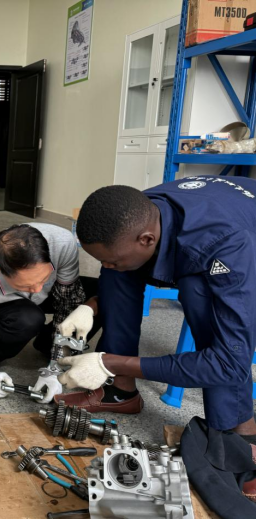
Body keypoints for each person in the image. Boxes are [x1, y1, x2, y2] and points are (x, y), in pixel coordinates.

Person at [59, 178, 256, 443]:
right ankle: (121, 391)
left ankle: (239, 430)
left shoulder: (227, 245)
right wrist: (90, 306)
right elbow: (117, 261)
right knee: (118, 270)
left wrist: (108, 363)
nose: (105, 266)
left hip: (244, 249)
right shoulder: (137, 212)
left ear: (147, 239)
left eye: (109, 260)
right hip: (227, 222)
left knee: (198, 294)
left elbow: (229, 364)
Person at [0, 223, 101, 400]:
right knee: (29, 318)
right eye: (25, 284)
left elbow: (66, 303)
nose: (38, 289)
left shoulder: (63, 244)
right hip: (2, 303)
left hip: (53, 288)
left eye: (43, 278)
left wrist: (54, 366)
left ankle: (47, 344)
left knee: (101, 295)